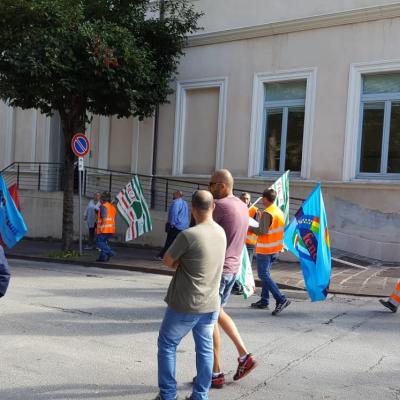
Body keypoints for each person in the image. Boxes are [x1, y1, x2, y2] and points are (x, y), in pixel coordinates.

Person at [156, 190, 226, 400]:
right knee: (205, 349)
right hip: (211, 302)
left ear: (193, 210)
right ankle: (200, 396)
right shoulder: (221, 232)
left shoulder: (189, 235)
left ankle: (168, 395)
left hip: (186, 302)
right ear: (213, 207)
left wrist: (180, 262)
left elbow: (167, 260)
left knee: (167, 344)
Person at [208, 169, 257, 389]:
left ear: (223, 186)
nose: (209, 188)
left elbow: (203, 233)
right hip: (233, 268)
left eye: (212, 184)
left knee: (208, 322)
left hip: (219, 270)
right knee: (218, 314)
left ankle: (216, 373)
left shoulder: (220, 207)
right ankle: (244, 357)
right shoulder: (241, 205)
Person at [249, 188, 291, 315]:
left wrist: (249, 227)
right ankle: (264, 300)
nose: (262, 200)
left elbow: (262, 231)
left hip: (266, 249)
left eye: (262, 198)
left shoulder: (268, 213)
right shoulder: (278, 211)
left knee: (263, 275)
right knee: (266, 274)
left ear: (265, 199)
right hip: (275, 248)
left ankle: (281, 298)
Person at [232, 192, 259, 295]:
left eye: (247, 199)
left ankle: (244, 286)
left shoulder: (254, 210)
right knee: (237, 265)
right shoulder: (237, 208)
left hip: (249, 242)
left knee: (246, 266)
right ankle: (238, 286)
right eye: (243, 199)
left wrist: (247, 224)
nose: (245, 201)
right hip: (238, 241)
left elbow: (257, 227)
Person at [157, 191, 189, 260]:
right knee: (179, 243)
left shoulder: (175, 203)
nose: (173, 195)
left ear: (177, 195)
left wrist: (171, 224)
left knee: (169, 242)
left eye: (174, 194)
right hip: (184, 226)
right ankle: (178, 257)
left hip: (176, 226)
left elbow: (173, 214)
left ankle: (162, 256)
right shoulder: (185, 203)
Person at [96, 191, 116, 262]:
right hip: (110, 229)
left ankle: (111, 253)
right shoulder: (111, 207)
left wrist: (101, 228)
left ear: (103, 199)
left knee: (100, 243)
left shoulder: (103, 206)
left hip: (104, 229)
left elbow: (104, 218)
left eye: (101, 197)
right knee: (104, 243)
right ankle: (103, 258)